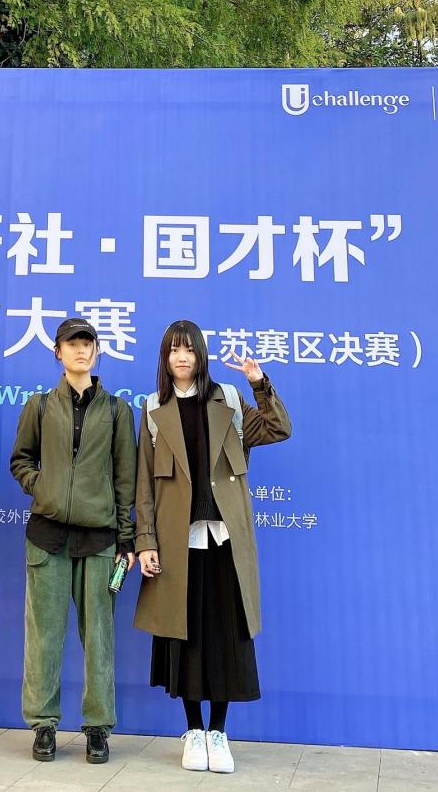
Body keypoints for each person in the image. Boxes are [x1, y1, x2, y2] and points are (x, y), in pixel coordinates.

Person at [134, 319, 291, 775]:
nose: (182, 357)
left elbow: (279, 428)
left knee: (226, 639)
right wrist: (145, 541)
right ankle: (193, 731)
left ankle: (219, 732)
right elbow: (144, 485)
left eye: (189, 349)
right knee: (183, 638)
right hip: (177, 544)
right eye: (173, 350)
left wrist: (259, 382)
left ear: (201, 355)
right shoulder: (153, 408)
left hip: (225, 541)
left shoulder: (230, 401)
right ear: (165, 359)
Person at [9, 317, 136, 765]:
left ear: (97, 352)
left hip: (100, 540)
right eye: (72, 344)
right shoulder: (40, 406)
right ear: (58, 353)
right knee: (43, 636)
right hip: (47, 537)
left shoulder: (118, 410)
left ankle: (98, 727)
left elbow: (126, 479)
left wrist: (126, 540)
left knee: (99, 637)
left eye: (88, 344)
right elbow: (20, 459)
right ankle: (43, 724)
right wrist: (42, 487)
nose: (81, 350)